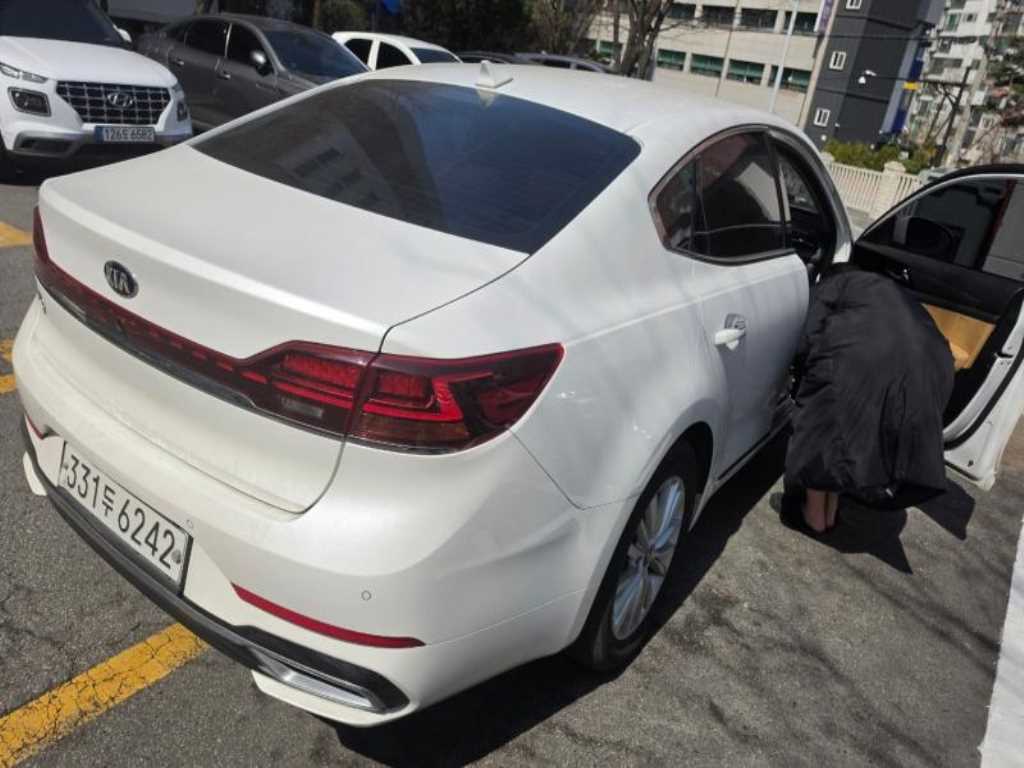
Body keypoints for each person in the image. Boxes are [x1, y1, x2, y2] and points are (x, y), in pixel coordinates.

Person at [781, 264, 956, 535]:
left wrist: (797, 372)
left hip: (863, 358)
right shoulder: (887, 291)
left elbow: (808, 334)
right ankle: (830, 512)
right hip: (933, 365)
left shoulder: (831, 286)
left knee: (820, 430)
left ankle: (815, 517)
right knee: (845, 436)